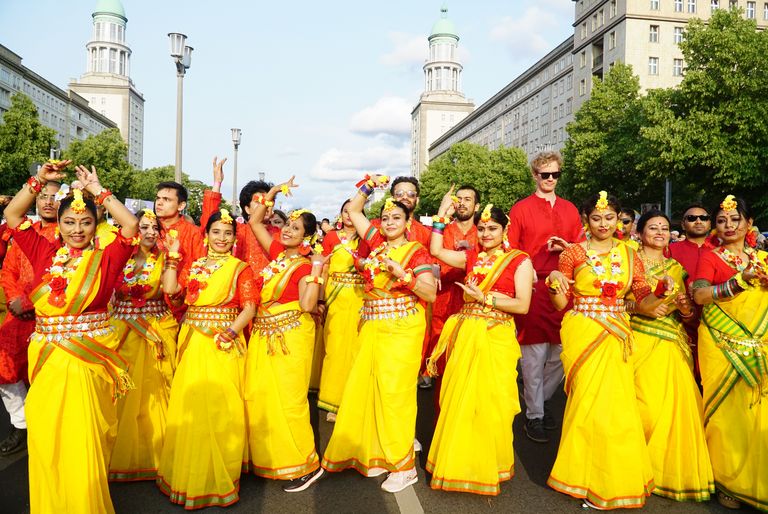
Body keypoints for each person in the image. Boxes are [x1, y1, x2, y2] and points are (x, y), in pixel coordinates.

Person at [4, 161, 138, 514]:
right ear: (59, 225)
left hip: (87, 365)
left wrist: (97, 190)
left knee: (83, 439)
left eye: (86, 222)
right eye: (69, 222)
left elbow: (130, 225)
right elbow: (13, 214)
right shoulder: (44, 252)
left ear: (96, 224)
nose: (77, 230)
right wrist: (39, 180)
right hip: (48, 361)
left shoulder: (107, 258)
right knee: (48, 437)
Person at [546, 191, 674, 510]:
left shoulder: (630, 254)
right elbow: (561, 304)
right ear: (586, 220)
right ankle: (582, 478)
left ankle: (611, 481)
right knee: (585, 406)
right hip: (582, 332)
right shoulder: (573, 253)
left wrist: (661, 291)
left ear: (618, 219)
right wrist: (554, 282)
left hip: (616, 334)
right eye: (596, 218)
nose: (603, 224)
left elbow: (642, 298)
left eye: (609, 217)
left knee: (616, 409)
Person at [321, 175, 437, 493]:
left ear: (408, 221)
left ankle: (404, 467)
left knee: (395, 396)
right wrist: (369, 185)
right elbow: (355, 210)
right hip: (373, 327)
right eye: (385, 218)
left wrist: (404, 276)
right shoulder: (376, 245)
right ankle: (378, 454)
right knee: (370, 389)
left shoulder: (415, 252)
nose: (389, 222)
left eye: (396, 217)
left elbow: (429, 293)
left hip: (402, 330)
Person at [425, 203, 533, 495]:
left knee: (492, 402)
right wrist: (441, 216)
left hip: (496, 334)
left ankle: (487, 464)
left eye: (492, 228)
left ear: (505, 230)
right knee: (461, 398)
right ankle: (459, 463)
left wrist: (485, 298)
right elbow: (436, 251)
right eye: (482, 228)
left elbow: (522, 305)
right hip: (467, 333)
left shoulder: (520, 260)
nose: (486, 234)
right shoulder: (471, 256)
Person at [156, 208, 256, 509]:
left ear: (234, 238)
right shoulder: (195, 265)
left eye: (228, 233)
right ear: (207, 235)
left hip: (222, 343)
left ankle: (216, 475)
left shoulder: (240, 268)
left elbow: (249, 307)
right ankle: (189, 472)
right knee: (190, 404)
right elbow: (171, 290)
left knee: (219, 407)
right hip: (192, 341)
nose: (222, 238)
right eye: (216, 232)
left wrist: (230, 332)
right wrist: (173, 256)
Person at [243, 177, 326, 492]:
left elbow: (307, 305)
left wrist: (316, 271)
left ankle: (305, 464)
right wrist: (273, 193)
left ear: (307, 237)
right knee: (262, 397)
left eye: (296, 228)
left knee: (290, 401)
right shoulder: (278, 253)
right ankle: (271, 459)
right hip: (265, 334)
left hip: (291, 337)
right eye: (287, 225)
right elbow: (254, 222)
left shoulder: (304, 266)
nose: (288, 230)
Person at [628, 210, 714, 501]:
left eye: (664, 228)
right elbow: (615, 300)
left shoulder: (677, 268)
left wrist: (685, 308)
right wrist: (640, 308)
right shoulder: (627, 261)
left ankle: (660, 470)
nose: (660, 232)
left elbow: (688, 313)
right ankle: (632, 467)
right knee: (641, 407)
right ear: (640, 233)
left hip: (669, 343)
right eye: (653, 227)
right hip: (636, 337)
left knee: (670, 409)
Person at [692, 195, 768, 511]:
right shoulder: (710, 258)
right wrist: (738, 282)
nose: (728, 225)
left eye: (735, 219)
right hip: (721, 345)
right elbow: (699, 295)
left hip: (760, 343)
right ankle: (728, 482)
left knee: (759, 413)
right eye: (721, 221)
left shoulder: (763, 258)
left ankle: (759, 479)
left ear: (749, 223)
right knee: (727, 414)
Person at [506, 151, 583, 443]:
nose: (550, 179)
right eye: (544, 174)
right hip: (535, 285)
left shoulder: (570, 209)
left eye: (555, 174)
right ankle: (535, 415)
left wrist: (568, 248)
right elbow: (512, 250)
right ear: (535, 175)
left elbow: (581, 248)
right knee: (534, 356)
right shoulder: (521, 209)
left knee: (560, 354)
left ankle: (540, 400)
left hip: (565, 286)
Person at [108, 209, 178, 482]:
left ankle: (156, 454)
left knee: (153, 391)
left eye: (154, 228)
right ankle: (118, 455)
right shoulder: (119, 255)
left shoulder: (165, 258)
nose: (150, 232)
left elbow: (171, 291)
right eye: (144, 227)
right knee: (123, 392)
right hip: (121, 332)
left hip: (153, 329)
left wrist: (172, 258)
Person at [0, 180, 59, 456]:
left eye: (54, 197)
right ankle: (21, 425)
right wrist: (15, 299)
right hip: (17, 316)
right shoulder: (25, 231)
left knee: (47, 374)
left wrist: (29, 302)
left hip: (51, 316)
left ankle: (47, 428)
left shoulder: (69, 235)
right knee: (5, 368)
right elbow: (9, 270)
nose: (48, 202)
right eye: (43, 196)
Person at [422, 184, 479, 401]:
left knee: (469, 359)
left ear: (477, 206)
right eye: (458, 199)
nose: (462, 203)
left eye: (468, 199)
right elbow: (428, 255)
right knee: (443, 357)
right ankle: (443, 411)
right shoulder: (442, 229)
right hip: (444, 299)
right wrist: (434, 269)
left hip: (473, 302)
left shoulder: (483, 232)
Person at [317, 199, 367, 421]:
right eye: (345, 211)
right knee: (335, 348)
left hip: (360, 297)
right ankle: (333, 402)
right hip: (335, 297)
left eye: (353, 211)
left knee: (357, 348)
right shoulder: (331, 238)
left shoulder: (368, 238)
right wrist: (321, 299)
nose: (349, 215)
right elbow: (324, 268)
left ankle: (354, 401)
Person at [202, 157, 275, 274]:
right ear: (247, 209)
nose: (265, 206)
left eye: (269, 202)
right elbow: (211, 221)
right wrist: (217, 183)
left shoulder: (281, 235)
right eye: (259, 202)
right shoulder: (238, 231)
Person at [154, 180, 204, 276]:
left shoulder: (193, 233)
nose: (159, 203)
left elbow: (199, 266)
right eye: (158, 198)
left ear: (181, 206)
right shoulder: (148, 227)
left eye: (166, 199)